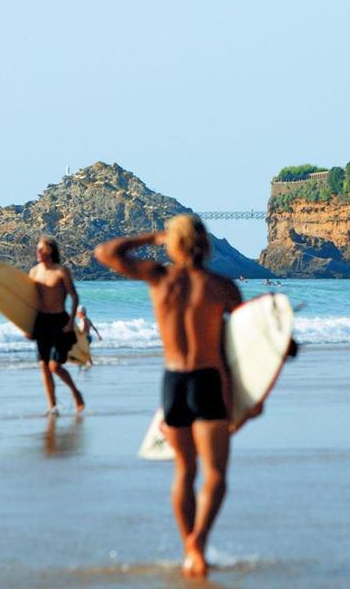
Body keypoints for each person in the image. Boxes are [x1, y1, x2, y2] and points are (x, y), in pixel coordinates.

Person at [95, 214, 252, 579]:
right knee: (215, 474)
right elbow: (247, 341)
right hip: (210, 382)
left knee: (185, 470)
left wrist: (152, 236)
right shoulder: (222, 286)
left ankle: (188, 549)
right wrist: (251, 396)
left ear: (174, 242)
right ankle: (199, 542)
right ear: (205, 243)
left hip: (173, 382)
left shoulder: (158, 278)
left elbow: (105, 252)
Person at [29, 236, 84, 415]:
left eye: (41, 249)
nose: (37, 252)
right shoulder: (34, 272)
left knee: (54, 365)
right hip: (41, 322)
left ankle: (75, 392)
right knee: (43, 366)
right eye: (37, 249)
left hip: (59, 321)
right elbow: (29, 302)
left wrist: (71, 322)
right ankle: (52, 407)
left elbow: (74, 296)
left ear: (50, 251)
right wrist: (27, 327)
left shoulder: (61, 271)